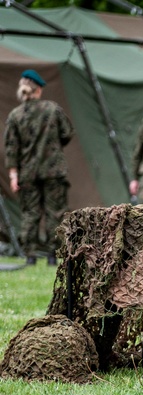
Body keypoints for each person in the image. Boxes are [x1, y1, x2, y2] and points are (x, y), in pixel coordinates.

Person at [4, 69, 74, 266]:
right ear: (39, 90)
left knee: (30, 214)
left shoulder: (15, 115)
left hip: (27, 172)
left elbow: (11, 148)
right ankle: (54, 255)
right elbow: (67, 133)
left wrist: (13, 175)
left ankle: (30, 256)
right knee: (56, 212)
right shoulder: (53, 109)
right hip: (54, 171)